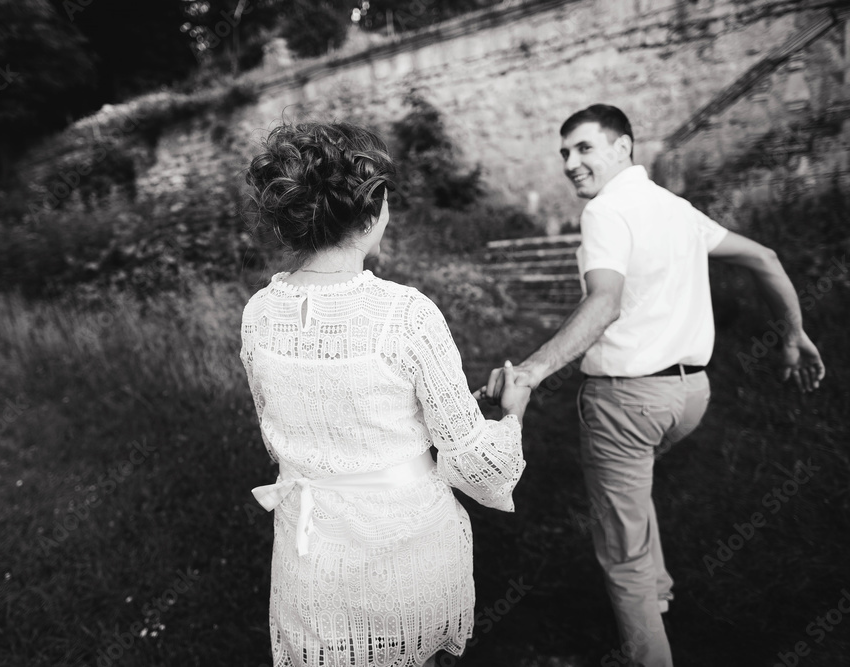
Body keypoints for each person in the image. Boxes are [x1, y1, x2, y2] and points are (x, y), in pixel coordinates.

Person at [481, 104, 825, 666]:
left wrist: (532, 372)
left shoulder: (607, 212)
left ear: (623, 147)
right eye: (564, 153)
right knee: (632, 502)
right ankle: (659, 594)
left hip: (627, 402)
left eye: (584, 148)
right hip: (690, 398)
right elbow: (764, 257)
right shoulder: (676, 208)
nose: (570, 163)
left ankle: (649, 644)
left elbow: (605, 302)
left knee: (622, 556)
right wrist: (793, 334)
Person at [239, 121, 531, 667]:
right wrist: (511, 413)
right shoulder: (404, 314)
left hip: (311, 567)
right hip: (404, 557)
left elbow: (294, 430)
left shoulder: (259, 314)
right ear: (374, 212)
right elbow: (476, 463)